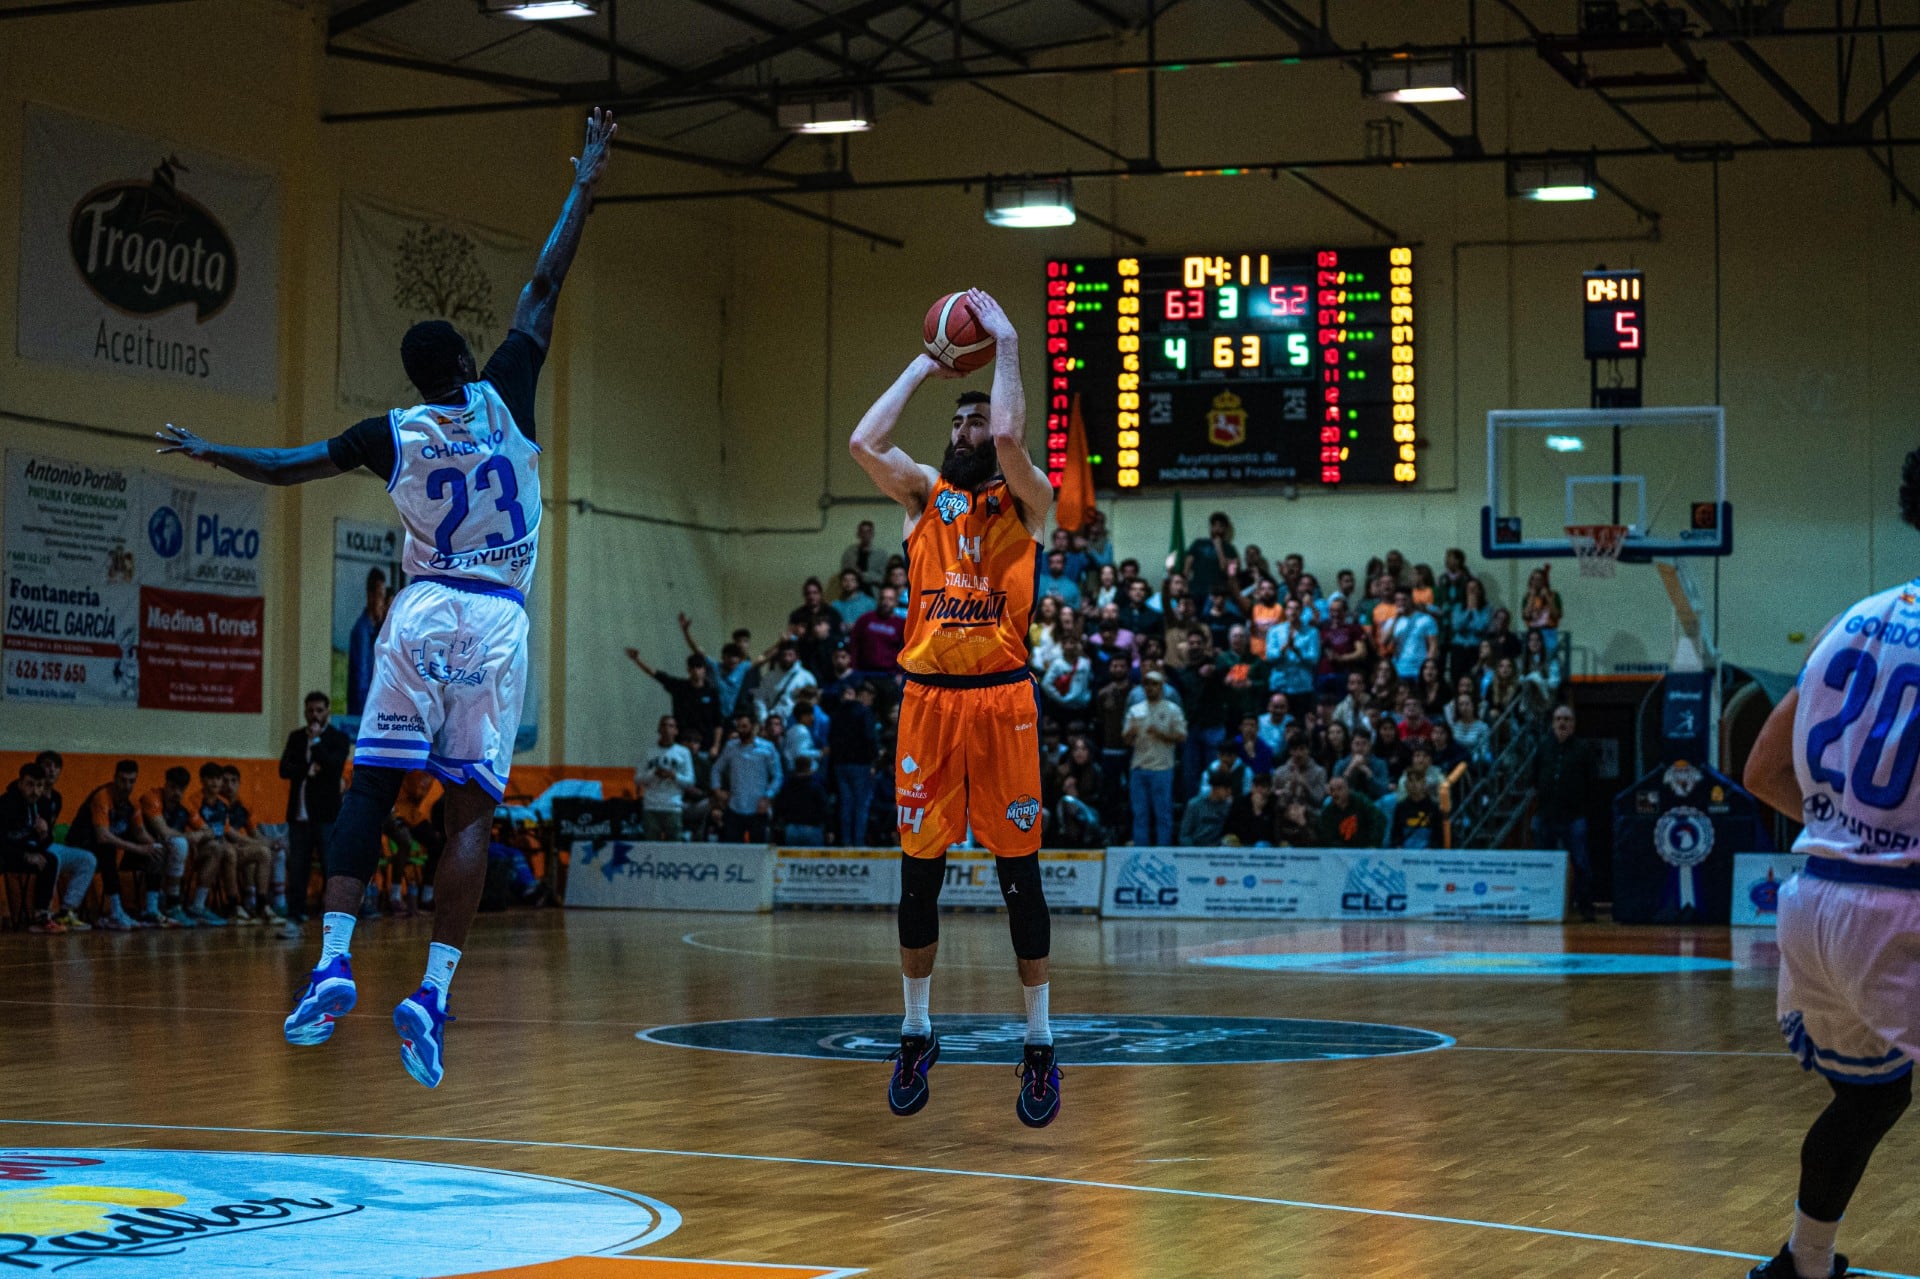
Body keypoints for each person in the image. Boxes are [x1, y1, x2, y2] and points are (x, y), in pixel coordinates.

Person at [157, 108, 618, 1088]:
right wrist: (583, 183)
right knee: (469, 811)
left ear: (413, 376)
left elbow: (287, 468)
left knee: (367, 786)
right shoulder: (507, 390)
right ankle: (433, 993)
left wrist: (210, 451)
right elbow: (544, 284)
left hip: (420, 609)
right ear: (465, 363)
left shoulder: (390, 433)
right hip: (497, 620)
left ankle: (331, 959)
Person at [848, 287, 1061, 1127]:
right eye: (961, 421)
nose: (972, 430)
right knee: (918, 880)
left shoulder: (1030, 500)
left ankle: (1039, 1044)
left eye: (981, 420)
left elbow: (1011, 434)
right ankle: (915, 1029)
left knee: (1021, 879)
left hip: (1003, 704)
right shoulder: (921, 496)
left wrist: (1006, 342)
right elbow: (865, 439)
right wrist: (928, 361)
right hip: (928, 703)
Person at [1740, 492, 1920, 1279]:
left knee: (1873, 1098)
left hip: (1814, 898)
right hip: (1901, 904)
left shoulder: (1852, 619)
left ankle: (1803, 1264)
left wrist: (1851, 837)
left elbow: (1761, 770)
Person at [281, 691, 350, 932]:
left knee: (331, 865)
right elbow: (284, 769)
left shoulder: (339, 738)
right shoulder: (296, 737)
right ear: (304, 711)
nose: (314, 715)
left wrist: (318, 742)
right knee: (298, 865)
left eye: (319, 710)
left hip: (326, 814)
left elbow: (334, 767)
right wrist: (308, 769)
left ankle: (332, 913)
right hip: (299, 814)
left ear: (327, 712)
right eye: (310, 710)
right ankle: (295, 913)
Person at [1, 763, 95, 933]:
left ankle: (46, 914)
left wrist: (44, 835)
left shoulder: (41, 804)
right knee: (49, 858)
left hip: (26, 851)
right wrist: (24, 855)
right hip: (7, 853)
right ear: (20, 783)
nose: (35, 791)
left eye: (39, 786)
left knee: (50, 859)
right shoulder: (7, 804)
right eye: (30, 784)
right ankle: (40, 915)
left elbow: (44, 842)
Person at [68, 759, 162, 928]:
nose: (126, 785)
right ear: (115, 778)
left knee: (155, 852)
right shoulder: (102, 797)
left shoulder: (132, 802)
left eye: (131, 781)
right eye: (123, 780)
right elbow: (102, 836)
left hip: (111, 845)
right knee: (108, 849)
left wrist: (156, 846)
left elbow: (140, 832)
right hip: (82, 844)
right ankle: (115, 911)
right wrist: (139, 848)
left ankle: (152, 909)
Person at [1529, 704, 1597, 921]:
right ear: (1552, 723)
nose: (1562, 723)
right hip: (1546, 814)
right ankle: (1543, 906)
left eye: (1567, 719)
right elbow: (1534, 777)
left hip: (1574, 816)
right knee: (1543, 863)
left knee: (1581, 863)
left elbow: (1592, 781)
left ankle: (1585, 907)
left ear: (1574, 724)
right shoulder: (1543, 747)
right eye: (1558, 719)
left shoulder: (1583, 749)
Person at [140, 765, 219, 928]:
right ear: (165, 785)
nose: (176, 793)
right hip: (143, 850)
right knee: (179, 843)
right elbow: (163, 830)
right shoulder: (152, 798)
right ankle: (168, 903)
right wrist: (191, 836)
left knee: (215, 847)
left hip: (173, 855)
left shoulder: (185, 804)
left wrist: (199, 835)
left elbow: (208, 831)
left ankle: (198, 905)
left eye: (181, 789)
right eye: (173, 788)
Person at [712, 711, 783, 843]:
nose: (741, 731)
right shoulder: (730, 747)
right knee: (732, 850)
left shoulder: (767, 748)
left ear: (753, 727)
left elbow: (778, 776)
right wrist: (717, 790)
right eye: (738, 727)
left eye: (744, 727)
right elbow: (716, 769)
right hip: (735, 806)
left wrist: (768, 797)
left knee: (758, 852)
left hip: (758, 807)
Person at [826, 679, 879, 846]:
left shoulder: (837, 713)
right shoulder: (864, 713)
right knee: (861, 805)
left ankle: (846, 842)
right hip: (861, 764)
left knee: (846, 804)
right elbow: (869, 738)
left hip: (840, 764)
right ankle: (858, 842)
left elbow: (832, 738)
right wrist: (874, 758)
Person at [637, 715, 695, 841]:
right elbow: (638, 779)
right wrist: (654, 773)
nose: (667, 729)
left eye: (671, 726)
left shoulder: (683, 752)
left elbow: (690, 781)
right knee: (651, 848)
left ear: (676, 731)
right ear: (659, 730)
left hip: (673, 805)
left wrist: (674, 776)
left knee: (674, 849)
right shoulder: (648, 751)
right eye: (663, 725)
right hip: (651, 806)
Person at [347, 567, 390, 717]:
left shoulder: (374, 631)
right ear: (370, 596)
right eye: (379, 596)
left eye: (383, 597)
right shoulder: (362, 632)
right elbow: (361, 681)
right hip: (362, 714)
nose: (382, 604)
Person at [849, 585, 908, 679]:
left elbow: (906, 652)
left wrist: (900, 673)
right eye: (883, 598)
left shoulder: (902, 625)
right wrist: (853, 668)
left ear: (896, 602)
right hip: (863, 672)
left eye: (890, 599)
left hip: (889, 674)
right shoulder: (865, 619)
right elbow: (854, 645)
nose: (886, 602)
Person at [773, 754, 831, 846]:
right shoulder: (816, 787)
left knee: (792, 860)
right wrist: (829, 829)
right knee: (814, 860)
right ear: (809, 767)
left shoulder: (787, 787)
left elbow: (779, 807)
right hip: (813, 829)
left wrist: (776, 827)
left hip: (791, 829)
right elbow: (825, 809)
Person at [1317, 774, 1385, 849]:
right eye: (1332, 790)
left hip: (1366, 849)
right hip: (1340, 854)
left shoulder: (1362, 802)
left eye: (1339, 789)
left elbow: (1378, 820)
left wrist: (1373, 844)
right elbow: (1326, 837)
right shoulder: (1328, 812)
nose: (1335, 793)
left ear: (1348, 789)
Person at [1179, 769, 1234, 846]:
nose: (1229, 792)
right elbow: (1184, 835)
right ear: (1215, 788)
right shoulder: (1194, 805)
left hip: (1218, 851)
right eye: (1226, 789)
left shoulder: (1229, 806)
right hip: (1196, 849)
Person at [841, 518, 884, 593]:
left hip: (873, 595)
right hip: (851, 594)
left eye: (868, 532)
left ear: (872, 534)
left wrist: (863, 575)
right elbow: (843, 575)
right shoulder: (849, 553)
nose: (865, 535)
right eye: (862, 532)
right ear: (858, 534)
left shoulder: (881, 555)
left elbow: (884, 578)